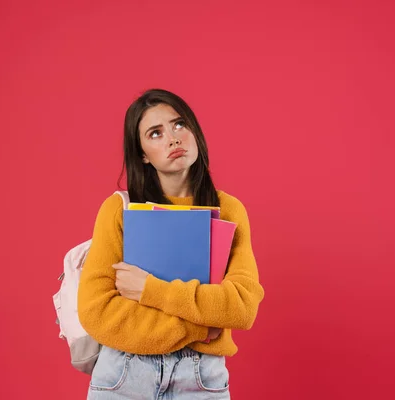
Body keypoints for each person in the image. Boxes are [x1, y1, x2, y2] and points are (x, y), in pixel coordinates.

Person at [77, 88, 265, 399]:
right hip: (124, 375)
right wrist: (202, 327)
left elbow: (241, 308)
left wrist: (150, 290)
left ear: (194, 131)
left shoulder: (229, 210)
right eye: (155, 133)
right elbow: (97, 312)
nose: (173, 138)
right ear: (142, 154)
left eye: (179, 125)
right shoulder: (119, 210)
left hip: (201, 377)